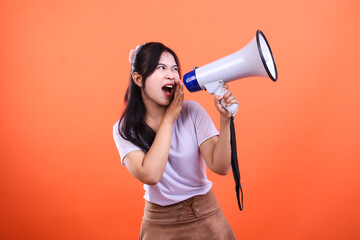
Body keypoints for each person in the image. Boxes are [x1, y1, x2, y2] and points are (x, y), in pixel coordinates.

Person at [113, 42, 238, 239]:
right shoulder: (125, 129)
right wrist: (170, 118)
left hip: (208, 219)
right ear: (138, 78)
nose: (171, 75)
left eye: (174, 69)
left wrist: (225, 120)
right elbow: (151, 174)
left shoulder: (192, 111)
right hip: (160, 226)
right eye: (161, 68)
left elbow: (221, 167)